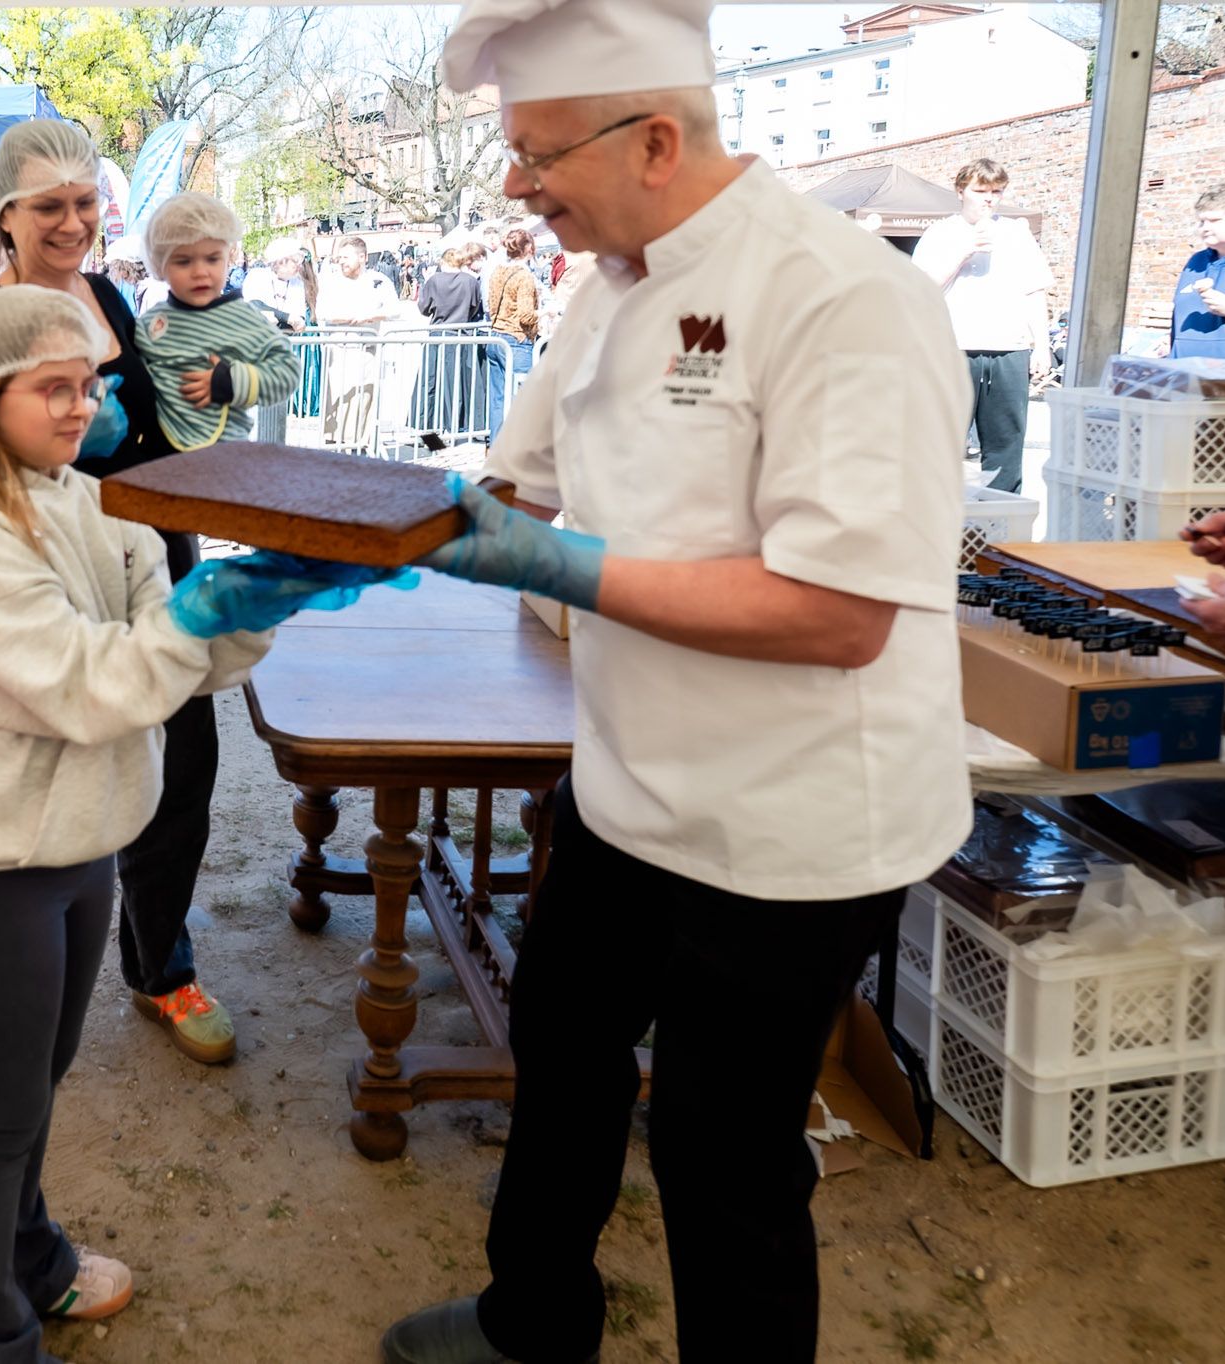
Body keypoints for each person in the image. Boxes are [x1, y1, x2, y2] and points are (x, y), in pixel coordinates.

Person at [379, 1, 973, 1361]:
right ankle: (534, 1320)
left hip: (793, 823)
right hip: (625, 785)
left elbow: (837, 613)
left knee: (722, 1145)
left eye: (539, 155)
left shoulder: (843, 297)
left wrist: (562, 568)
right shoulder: (605, 290)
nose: (517, 187)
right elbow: (512, 487)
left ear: (654, 139)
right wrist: (347, 534)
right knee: (559, 1047)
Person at [0, 285, 394, 1364]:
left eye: (93, 383)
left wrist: (255, 599)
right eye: (54, 387)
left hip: (82, 839)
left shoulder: (99, 501)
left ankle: (31, 1262)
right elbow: (90, 684)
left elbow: (170, 654)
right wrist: (205, 612)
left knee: (36, 1084)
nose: (84, 406)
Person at [0, 118, 242, 1066]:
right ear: (5, 214)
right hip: (44, 576)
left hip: (155, 559)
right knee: (39, 781)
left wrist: (205, 413)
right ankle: (11, 979)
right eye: (49, 206)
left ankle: (161, 967)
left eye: (85, 203)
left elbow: (156, 434)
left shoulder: (113, 297)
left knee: (182, 767)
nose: (73, 222)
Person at [913, 159, 1053, 493]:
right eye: (980, 191)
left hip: (1009, 348)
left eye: (996, 192)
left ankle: (1001, 513)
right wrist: (962, 253)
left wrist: (1042, 346)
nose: (989, 199)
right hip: (953, 349)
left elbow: (1034, 290)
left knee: (1006, 443)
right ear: (961, 191)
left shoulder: (1016, 233)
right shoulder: (941, 233)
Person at [136, 193, 301, 450]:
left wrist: (232, 381)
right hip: (158, 455)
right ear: (160, 264)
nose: (200, 271)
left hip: (223, 455)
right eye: (184, 261)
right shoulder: (150, 323)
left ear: (228, 257)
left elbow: (287, 371)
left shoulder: (244, 319)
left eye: (212, 258)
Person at [316, 237, 399, 449]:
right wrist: (350, 317)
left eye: (346, 257)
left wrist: (371, 316)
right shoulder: (332, 282)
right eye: (340, 258)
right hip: (339, 350)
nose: (341, 261)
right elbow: (322, 312)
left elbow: (394, 310)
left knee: (363, 401)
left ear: (362, 257)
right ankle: (333, 445)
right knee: (337, 401)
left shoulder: (379, 281)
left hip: (367, 351)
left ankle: (360, 445)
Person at [243, 238, 312, 443]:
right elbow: (255, 306)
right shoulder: (257, 276)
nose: (298, 265)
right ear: (280, 261)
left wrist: (277, 318)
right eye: (294, 261)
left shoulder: (297, 283)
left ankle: (272, 447)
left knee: (277, 402)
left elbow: (298, 321)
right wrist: (286, 317)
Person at [416, 245, 486, 435]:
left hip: (438, 334)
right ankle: (456, 428)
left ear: (443, 261)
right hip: (462, 336)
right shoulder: (470, 281)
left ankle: (429, 431)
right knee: (459, 385)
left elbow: (424, 308)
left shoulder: (434, 280)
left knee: (432, 384)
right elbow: (474, 306)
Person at [484, 226, 542, 442]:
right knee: (524, 401)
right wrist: (545, 313)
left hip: (496, 336)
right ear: (529, 249)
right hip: (517, 340)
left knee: (498, 400)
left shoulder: (497, 271)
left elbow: (490, 305)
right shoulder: (524, 277)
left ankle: (496, 447)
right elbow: (526, 316)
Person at [1170, 184, 1225, 360]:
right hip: (1183, 368)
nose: (1205, 228)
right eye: (1202, 222)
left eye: (1214, 220)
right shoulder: (1196, 262)